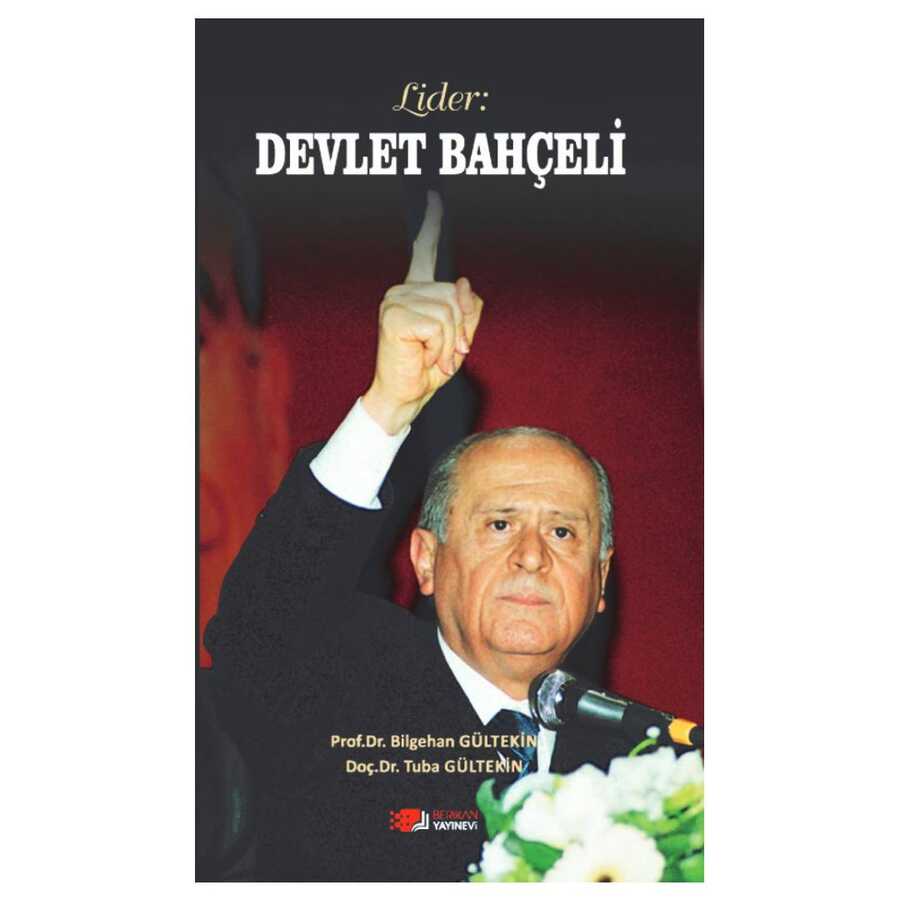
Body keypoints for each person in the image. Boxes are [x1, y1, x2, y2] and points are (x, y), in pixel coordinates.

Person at [204, 192, 633, 881]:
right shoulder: (340, 688)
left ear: (601, 580)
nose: (532, 555)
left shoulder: (651, 769)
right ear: (426, 561)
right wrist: (389, 405)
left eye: (562, 531)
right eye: (499, 525)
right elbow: (263, 623)